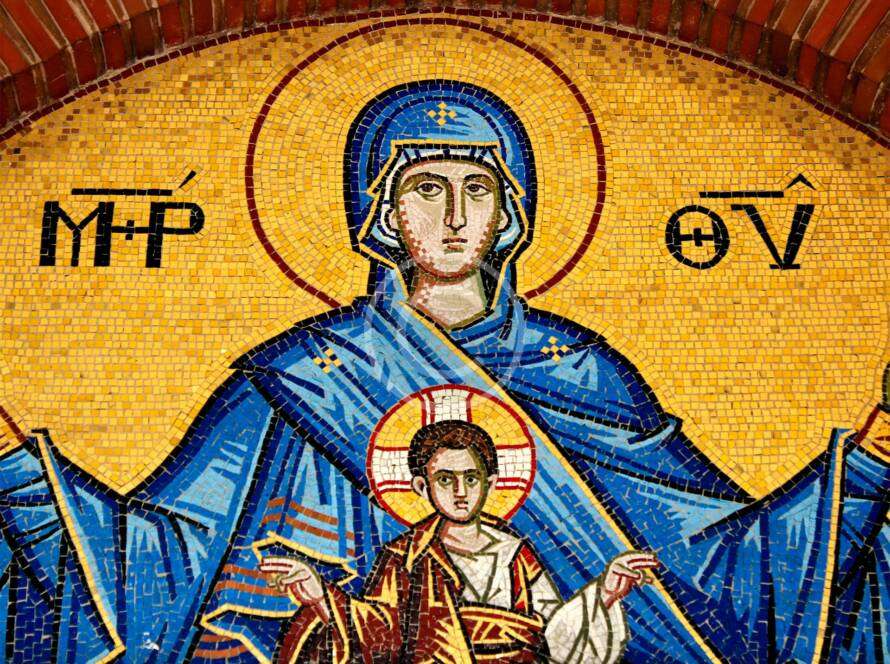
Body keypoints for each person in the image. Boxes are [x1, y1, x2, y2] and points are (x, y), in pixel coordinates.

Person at [0, 79, 887, 663]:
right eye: (427, 187)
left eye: (479, 189)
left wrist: (878, 452)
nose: (455, 215)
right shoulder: (300, 375)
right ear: (385, 212)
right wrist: (12, 465)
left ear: (511, 213)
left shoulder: (581, 371)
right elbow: (157, 564)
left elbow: (720, 570)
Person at [263, 420, 658, 663]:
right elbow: (382, 634)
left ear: (490, 483)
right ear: (422, 487)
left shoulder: (515, 554)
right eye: (445, 480)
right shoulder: (404, 557)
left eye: (471, 478)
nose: (460, 492)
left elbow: (558, 640)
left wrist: (606, 593)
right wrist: (321, 598)